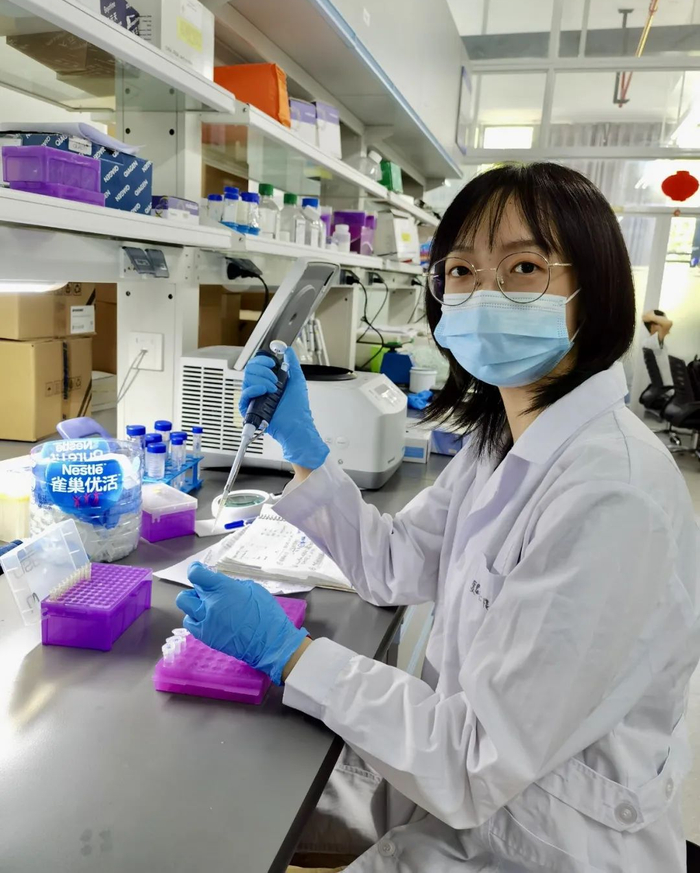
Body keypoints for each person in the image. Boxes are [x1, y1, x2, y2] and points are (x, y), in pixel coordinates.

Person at [177, 163, 700, 873]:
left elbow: (474, 758)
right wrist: (307, 451)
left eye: (523, 267)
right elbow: (394, 565)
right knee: (226, 803)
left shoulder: (612, 494)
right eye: (460, 270)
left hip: (544, 842)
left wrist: (290, 654)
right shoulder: (504, 439)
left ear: (596, 288)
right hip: (465, 789)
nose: (484, 294)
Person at [642, 308, 674, 388]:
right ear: (653, 326)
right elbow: (668, 324)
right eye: (661, 323)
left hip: (666, 389)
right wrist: (651, 317)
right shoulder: (652, 342)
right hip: (667, 390)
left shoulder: (654, 343)